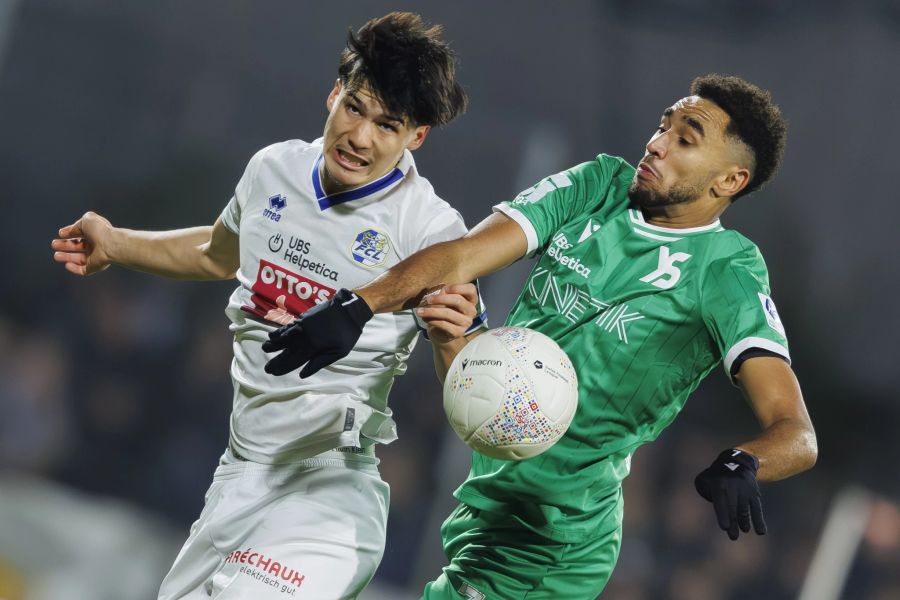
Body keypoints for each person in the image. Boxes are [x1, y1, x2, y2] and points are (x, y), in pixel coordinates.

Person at [262, 74, 819, 598]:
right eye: (663, 125)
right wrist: (376, 310)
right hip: (488, 503)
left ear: (729, 180)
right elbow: (463, 258)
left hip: (551, 541)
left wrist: (743, 461)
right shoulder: (597, 185)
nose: (657, 144)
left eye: (686, 140)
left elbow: (797, 432)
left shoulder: (727, 271)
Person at [51, 12, 486, 599]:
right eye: (355, 108)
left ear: (417, 137)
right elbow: (218, 253)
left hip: (329, 492)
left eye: (388, 125)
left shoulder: (432, 230)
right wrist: (117, 243)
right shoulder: (273, 169)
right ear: (334, 94)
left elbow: (466, 379)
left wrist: (457, 340)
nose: (360, 136)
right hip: (239, 476)